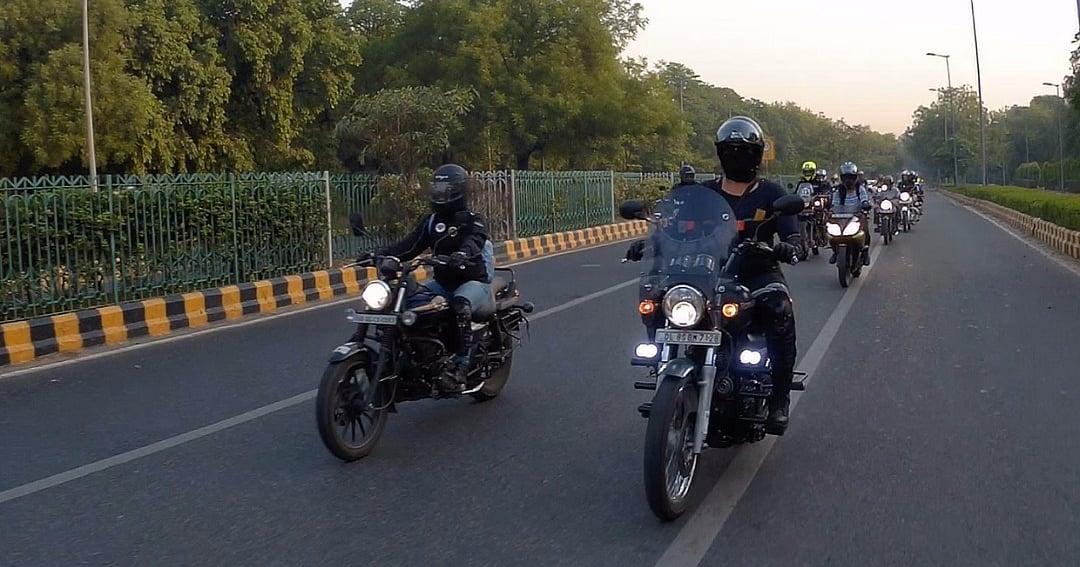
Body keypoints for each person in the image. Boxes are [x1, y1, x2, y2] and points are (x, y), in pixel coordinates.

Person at [630, 116, 802, 433]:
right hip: (706, 274)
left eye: (744, 149)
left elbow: (793, 235)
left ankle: (779, 397)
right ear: (721, 153)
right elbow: (673, 227)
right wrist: (650, 241)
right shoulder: (699, 194)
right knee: (655, 296)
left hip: (756, 273)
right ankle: (661, 363)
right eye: (730, 149)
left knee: (780, 309)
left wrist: (790, 246)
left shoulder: (771, 193)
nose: (737, 155)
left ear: (757, 154)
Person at [370, 163, 496, 394]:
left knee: (461, 304)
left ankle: (461, 365)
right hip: (442, 284)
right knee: (411, 305)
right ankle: (421, 356)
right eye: (437, 188)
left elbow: (476, 240)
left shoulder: (472, 220)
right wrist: (380, 254)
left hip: (473, 284)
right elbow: (409, 246)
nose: (440, 194)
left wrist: (462, 254)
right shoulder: (432, 221)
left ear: (458, 191)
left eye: (446, 189)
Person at [828, 162, 872, 266]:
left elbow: (864, 199)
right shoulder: (838, 191)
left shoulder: (860, 189)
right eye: (846, 177)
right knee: (831, 232)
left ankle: (865, 251)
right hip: (841, 216)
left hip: (856, 216)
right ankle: (835, 251)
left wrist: (865, 205)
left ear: (856, 178)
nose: (849, 180)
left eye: (851, 177)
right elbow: (834, 203)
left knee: (865, 229)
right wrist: (830, 210)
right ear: (842, 178)